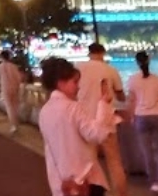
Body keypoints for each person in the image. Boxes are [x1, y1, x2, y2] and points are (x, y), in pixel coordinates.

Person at [38, 57, 116, 196]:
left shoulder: (45, 111)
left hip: (62, 183)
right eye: (74, 82)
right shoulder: (73, 108)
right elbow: (96, 134)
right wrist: (103, 104)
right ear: (61, 83)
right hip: (85, 179)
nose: (78, 86)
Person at [76, 43, 127, 193]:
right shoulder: (110, 70)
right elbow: (121, 96)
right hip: (106, 121)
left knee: (87, 165)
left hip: (84, 122)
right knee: (115, 163)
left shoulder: (78, 68)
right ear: (103, 53)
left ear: (89, 53)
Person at [127, 51, 158, 192]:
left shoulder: (132, 79)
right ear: (149, 61)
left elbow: (132, 101)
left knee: (146, 151)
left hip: (141, 116)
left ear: (137, 62)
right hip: (157, 115)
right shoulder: (157, 79)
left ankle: (153, 181)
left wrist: (131, 117)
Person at [0, 50, 25, 134]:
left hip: (5, 89)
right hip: (15, 88)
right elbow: (19, 78)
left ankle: (14, 125)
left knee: (9, 107)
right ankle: (16, 124)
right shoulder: (14, 67)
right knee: (15, 106)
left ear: (1, 57)